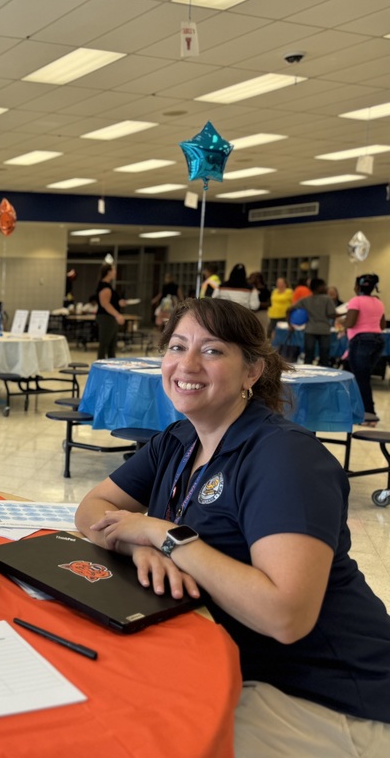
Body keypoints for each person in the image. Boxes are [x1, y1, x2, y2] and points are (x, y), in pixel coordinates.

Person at [75, 298, 390, 756]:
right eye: (177, 346)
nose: (186, 364)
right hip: (234, 665)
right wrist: (138, 546)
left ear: (252, 372)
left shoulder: (284, 457)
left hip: (329, 695)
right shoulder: (180, 440)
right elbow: (92, 507)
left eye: (213, 351)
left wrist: (163, 535)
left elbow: (286, 617)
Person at [344, 273, 386, 426]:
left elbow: (350, 323)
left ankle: (368, 414)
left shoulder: (356, 301)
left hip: (361, 340)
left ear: (358, 286)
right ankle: (366, 413)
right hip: (378, 341)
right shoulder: (378, 301)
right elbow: (381, 326)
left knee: (361, 379)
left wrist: (343, 320)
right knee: (364, 378)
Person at [290, 278, 336, 366]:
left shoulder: (305, 300)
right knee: (324, 356)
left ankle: (307, 376)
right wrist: (345, 313)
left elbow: (289, 309)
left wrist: (290, 324)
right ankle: (325, 376)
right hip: (324, 330)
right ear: (320, 287)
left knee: (308, 356)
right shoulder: (327, 299)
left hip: (310, 329)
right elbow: (331, 314)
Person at [95, 264, 126, 359]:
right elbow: (105, 304)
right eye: (114, 270)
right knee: (104, 344)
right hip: (106, 317)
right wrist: (117, 315)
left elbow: (111, 301)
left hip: (110, 317)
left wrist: (119, 302)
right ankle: (100, 367)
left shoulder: (109, 286)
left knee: (112, 346)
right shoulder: (104, 286)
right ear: (108, 272)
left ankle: (112, 366)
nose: (115, 272)